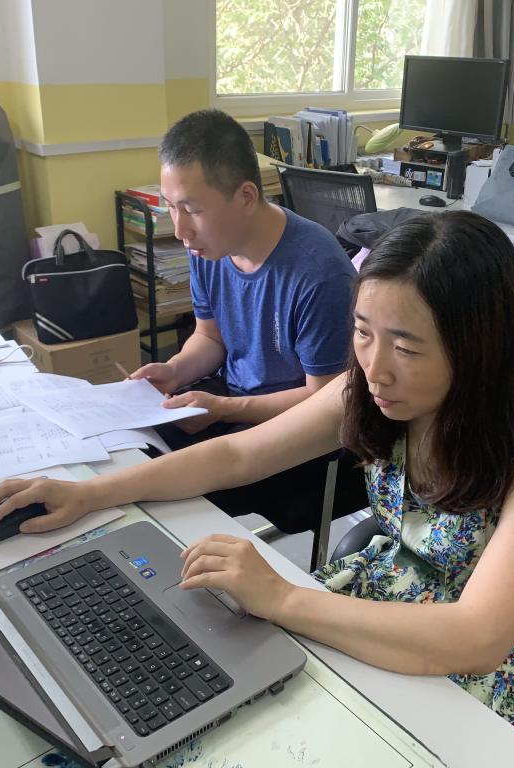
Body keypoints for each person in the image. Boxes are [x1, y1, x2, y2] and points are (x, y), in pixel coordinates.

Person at [0, 211, 514, 767]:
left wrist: (280, 595)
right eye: (363, 331)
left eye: (407, 347)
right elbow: (238, 454)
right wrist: (92, 493)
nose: (375, 367)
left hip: (504, 671)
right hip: (390, 604)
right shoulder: (373, 385)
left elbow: (479, 637)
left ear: (477, 346)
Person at [130, 108, 362, 532]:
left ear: (247, 197)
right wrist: (174, 370)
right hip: (234, 404)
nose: (180, 230)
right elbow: (210, 337)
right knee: (133, 454)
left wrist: (223, 409)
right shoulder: (207, 247)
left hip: (301, 436)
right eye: (171, 207)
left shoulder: (319, 274)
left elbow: (325, 403)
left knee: (170, 499)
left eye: (191, 209)